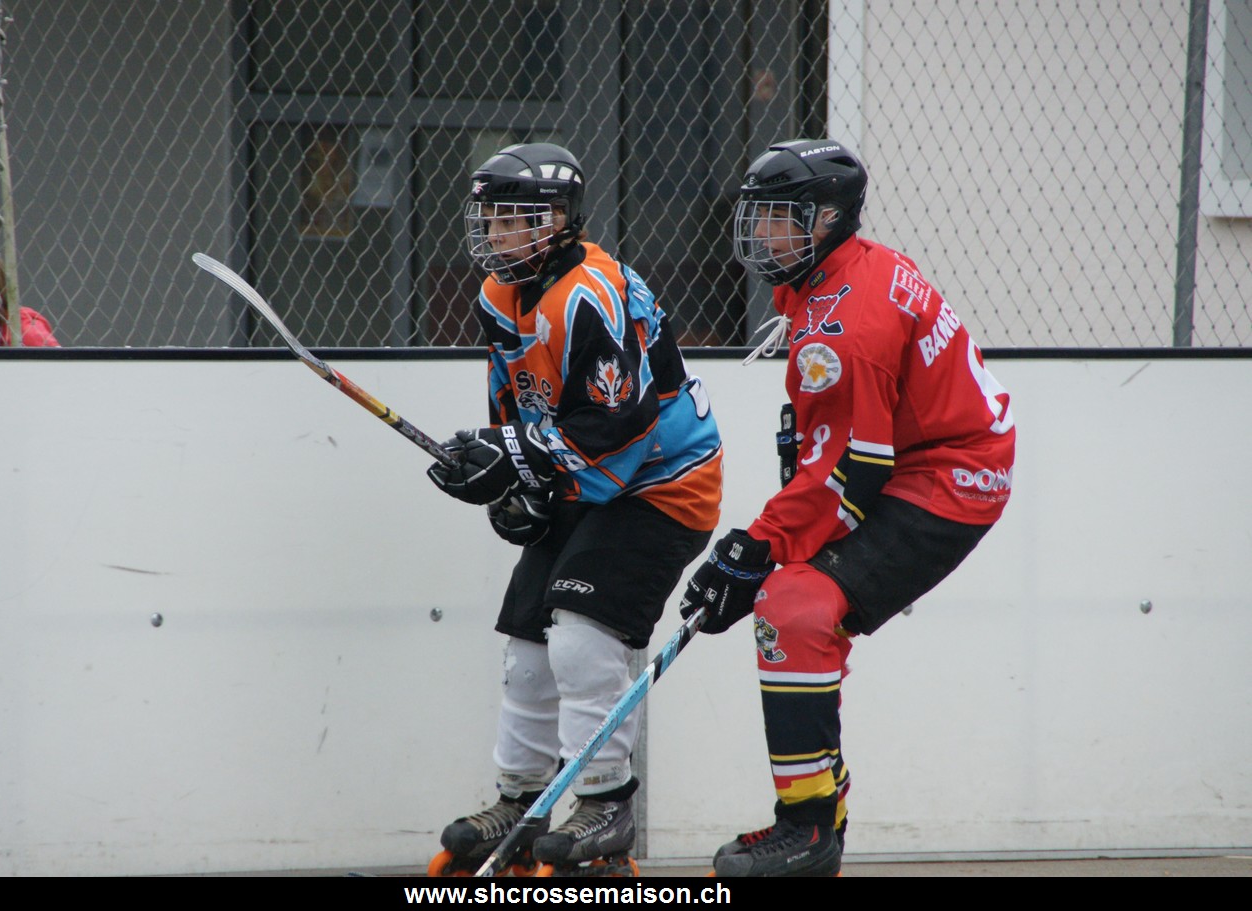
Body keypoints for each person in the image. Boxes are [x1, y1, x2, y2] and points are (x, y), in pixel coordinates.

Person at [680, 139, 1015, 877]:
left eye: (779, 216)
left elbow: (851, 473)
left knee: (793, 606)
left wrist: (753, 549)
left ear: (827, 219)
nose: (760, 232)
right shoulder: (839, 270)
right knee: (790, 596)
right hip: (917, 455)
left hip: (951, 476)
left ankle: (808, 830)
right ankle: (819, 818)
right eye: (757, 214)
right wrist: (768, 545)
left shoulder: (845, 329)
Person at [425, 142, 724, 871]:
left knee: (581, 639)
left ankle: (605, 804)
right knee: (528, 651)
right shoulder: (499, 294)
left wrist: (520, 455)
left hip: (661, 482)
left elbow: (619, 426)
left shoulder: (587, 293)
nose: (497, 234)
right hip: (583, 478)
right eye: (490, 219)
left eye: (514, 220)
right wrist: (512, 482)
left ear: (559, 220)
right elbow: (515, 400)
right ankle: (518, 801)